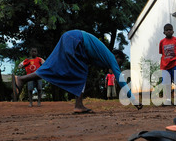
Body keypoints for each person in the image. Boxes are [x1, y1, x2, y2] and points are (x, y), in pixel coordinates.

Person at [12, 30, 142, 113]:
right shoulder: (111, 58)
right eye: (119, 62)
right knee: (78, 71)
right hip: (76, 39)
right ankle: (78, 105)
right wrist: (134, 100)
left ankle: (21, 79)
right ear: (117, 58)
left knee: (53, 66)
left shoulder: (101, 57)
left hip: (70, 37)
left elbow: (87, 61)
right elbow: (120, 79)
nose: (117, 66)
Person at [159, 23, 176, 105]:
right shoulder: (162, 42)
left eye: (170, 30)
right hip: (165, 66)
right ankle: (168, 100)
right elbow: (162, 53)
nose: (169, 31)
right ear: (164, 32)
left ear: (173, 31)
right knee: (166, 83)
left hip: (175, 64)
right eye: (167, 30)